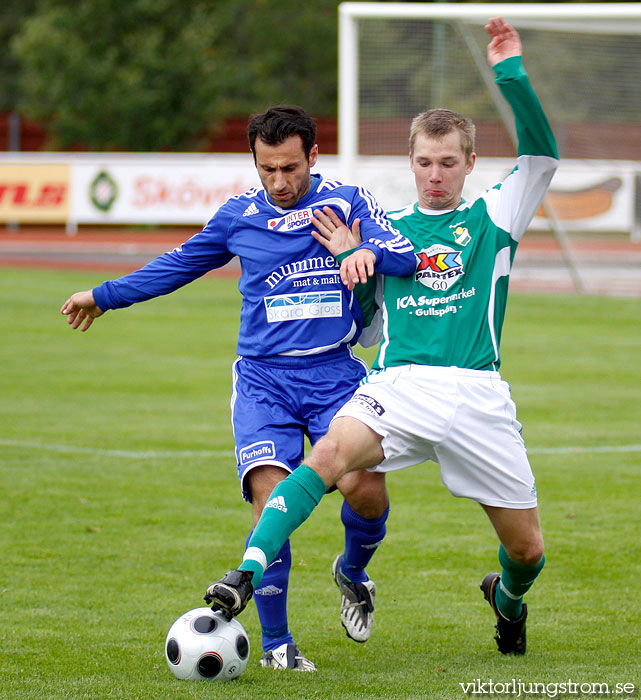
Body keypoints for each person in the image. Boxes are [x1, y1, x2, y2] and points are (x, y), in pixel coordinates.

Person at [204, 17, 559, 657]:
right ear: (411, 163)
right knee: (328, 459)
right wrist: (350, 263)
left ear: (470, 164)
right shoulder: (381, 231)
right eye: (424, 162)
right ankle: (245, 574)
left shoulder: (494, 215)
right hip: (397, 386)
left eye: (448, 162)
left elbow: (541, 154)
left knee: (527, 551)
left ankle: (506, 599)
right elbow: (362, 327)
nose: (435, 175)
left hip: (478, 395)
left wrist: (510, 70)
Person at [60, 106, 417, 670]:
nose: (279, 182)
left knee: (365, 489)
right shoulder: (238, 216)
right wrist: (103, 296)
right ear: (254, 162)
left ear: (314, 157)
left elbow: (406, 256)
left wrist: (354, 249)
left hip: (336, 373)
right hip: (263, 381)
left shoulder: (348, 202)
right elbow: (178, 264)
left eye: (291, 168)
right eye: (267, 169)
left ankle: (352, 572)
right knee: (270, 500)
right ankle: (277, 643)